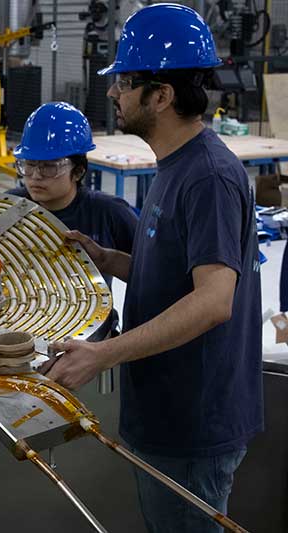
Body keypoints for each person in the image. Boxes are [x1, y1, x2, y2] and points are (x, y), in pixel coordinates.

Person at [43, 5, 263, 532]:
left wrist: (101, 354)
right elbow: (173, 272)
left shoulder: (208, 176)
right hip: (165, 409)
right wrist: (107, 258)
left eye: (124, 82)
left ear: (161, 95)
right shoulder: (173, 167)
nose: (114, 93)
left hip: (194, 423)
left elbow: (213, 300)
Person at [0, 102, 138, 321]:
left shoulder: (109, 213)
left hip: (90, 337)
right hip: (21, 330)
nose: (35, 176)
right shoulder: (7, 209)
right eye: (29, 165)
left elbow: (148, 275)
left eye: (49, 166)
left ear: (78, 171)